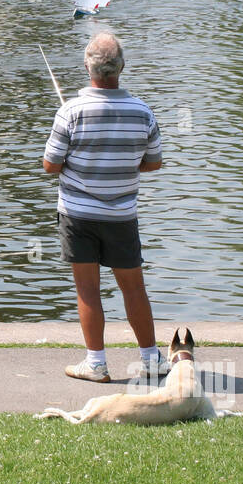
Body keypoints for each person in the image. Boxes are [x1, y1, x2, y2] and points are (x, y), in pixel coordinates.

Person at [43, 31, 166, 383]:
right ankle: (152, 359)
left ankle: (96, 364)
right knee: (134, 287)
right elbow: (153, 162)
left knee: (87, 288)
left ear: (88, 67)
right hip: (121, 215)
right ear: (122, 67)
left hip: (78, 215)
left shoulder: (71, 110)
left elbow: (50, 165)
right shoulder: (142, 111)